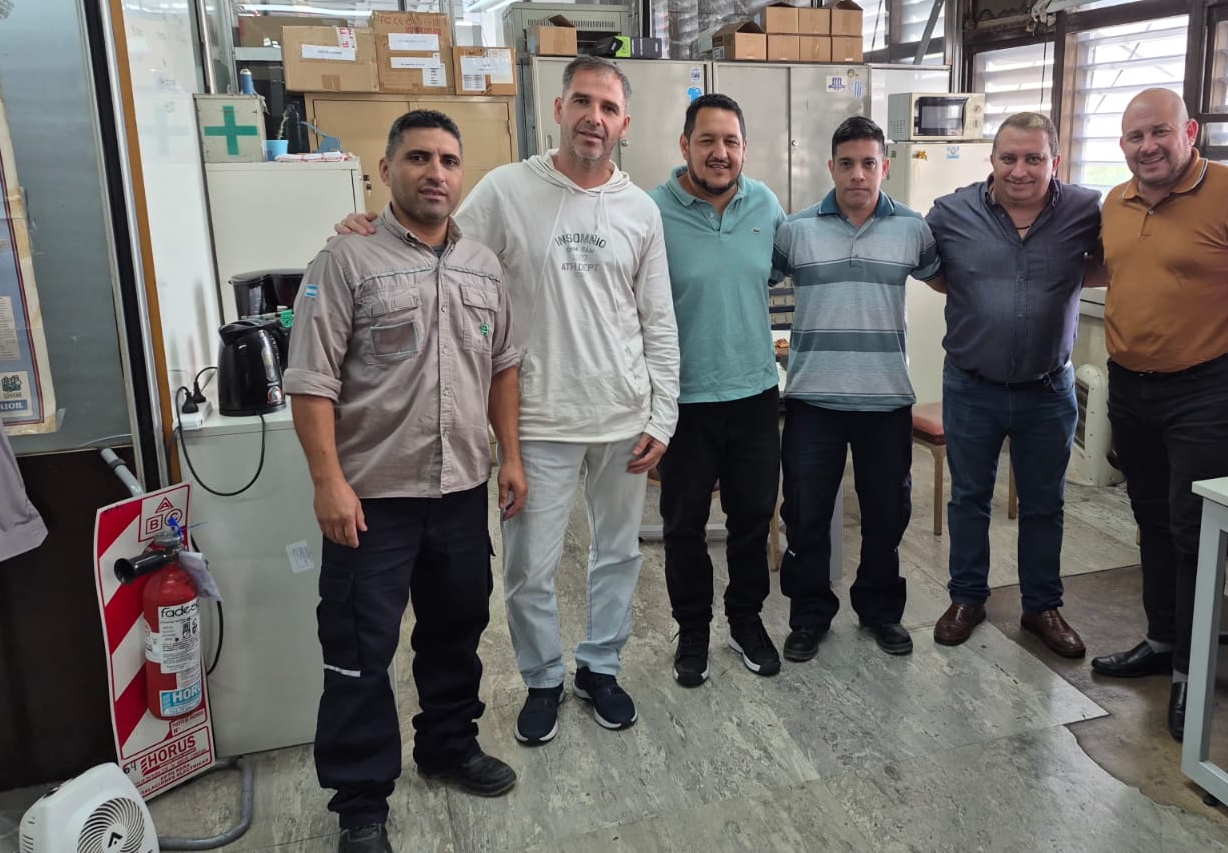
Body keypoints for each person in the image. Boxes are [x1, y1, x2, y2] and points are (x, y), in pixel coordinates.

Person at [336, 55, 679, 746]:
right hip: (539, 419)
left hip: (624, 416)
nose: (594, 118)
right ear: (558, 110)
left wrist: (663, 413)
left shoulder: (640, 209)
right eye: (582, 102)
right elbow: (436, 239)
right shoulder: (507, 190)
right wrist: (372, 229)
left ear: (624, 124)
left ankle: (602, 667)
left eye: (608, 108)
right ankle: (543, 677)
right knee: (529, 568)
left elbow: (657, 317)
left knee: (619, 555)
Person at [285, 110, 524, 853]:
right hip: (372, 500)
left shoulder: (484, 266)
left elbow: (504, 368)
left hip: (460, 491)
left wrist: (511, 457)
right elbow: (310, 381)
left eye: (448, 160)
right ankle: (361, 803)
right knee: (359, 651)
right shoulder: (344, 261)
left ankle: (448, 746)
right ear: (387, 169)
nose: (435, 173)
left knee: (456, 633)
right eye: (419, 158)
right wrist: (328, 482)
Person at [1088, 87, 1228, 741]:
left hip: (1207, 388)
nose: (1148, 146)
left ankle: (1192, 667)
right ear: (1122, 146)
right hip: (1131, 385)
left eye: (1160, 132)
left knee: (1193, 528)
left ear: (1190, 131)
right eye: (1135, 137)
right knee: (1151, 519)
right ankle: (1162, 640)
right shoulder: (1116, 202)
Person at [923, 111, 1102, 656]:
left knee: (1045, 503)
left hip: (1047, 391)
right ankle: (966, 598)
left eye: (1033, 158)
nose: (1019, 170)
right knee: (969, 498)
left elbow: (1109, 265)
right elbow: (936, 274)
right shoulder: (951, 213)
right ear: (992, 159)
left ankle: (1041, 606)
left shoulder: (1086, 211)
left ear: (1055, 161)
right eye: (1008, 157)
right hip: (971, 385)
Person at [774, 115, 941, 662]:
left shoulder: (913, 229)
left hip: (886, 398)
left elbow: (949, 280)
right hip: (811, 400)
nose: (858, 175)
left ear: (884, 167)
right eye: (847, 164)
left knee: (886, 514)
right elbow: (753, 281)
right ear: (831, 167)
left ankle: (880, 611)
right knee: (805, 514)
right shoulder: (796, 230)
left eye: (869, 163)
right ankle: (808, 616)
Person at [647, 93, 785, 686]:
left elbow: (778, 271)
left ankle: (745, 621)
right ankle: (693, 629)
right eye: (707, 140)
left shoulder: (766, 204)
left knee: (752, 520)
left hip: (755, 394)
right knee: (684, 527)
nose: (719, 152)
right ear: (685, 145)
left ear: (744, 148)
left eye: (730, 141)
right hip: (683, 400)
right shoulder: (651, 210)